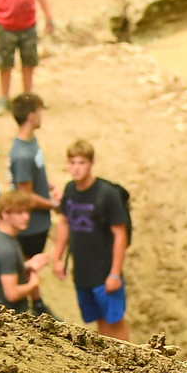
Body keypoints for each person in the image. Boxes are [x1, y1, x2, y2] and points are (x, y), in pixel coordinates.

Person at [48, 138, 130, 339]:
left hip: (104, 270)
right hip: (83, 272)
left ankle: (130, 365)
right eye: (72, 163)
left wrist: (115, 273)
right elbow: (65, 222)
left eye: (81, 163)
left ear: (91, 164)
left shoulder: (107, 194)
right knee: (99, 320)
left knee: (114, 320)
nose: (76, 168)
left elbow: (121, 234)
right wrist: (57, 258)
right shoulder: (70, 190)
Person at [8, 92, 58, 259]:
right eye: (39, 112)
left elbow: (35, 173)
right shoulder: (22, 155)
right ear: (31, 116)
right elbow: (26, 196)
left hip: (39, 223)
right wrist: (53, 204)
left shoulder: (30, 142)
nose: (41, 116)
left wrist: (51, 186)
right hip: (31, 227)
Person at [0, 188, 47, 313]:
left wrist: (25, 265)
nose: (26, 217)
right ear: (5, 214)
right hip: (9, 316)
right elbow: (12, 294)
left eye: (27, 211)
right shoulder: (7, 249)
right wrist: (34, 283)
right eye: (19, 213)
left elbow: (1, 269)